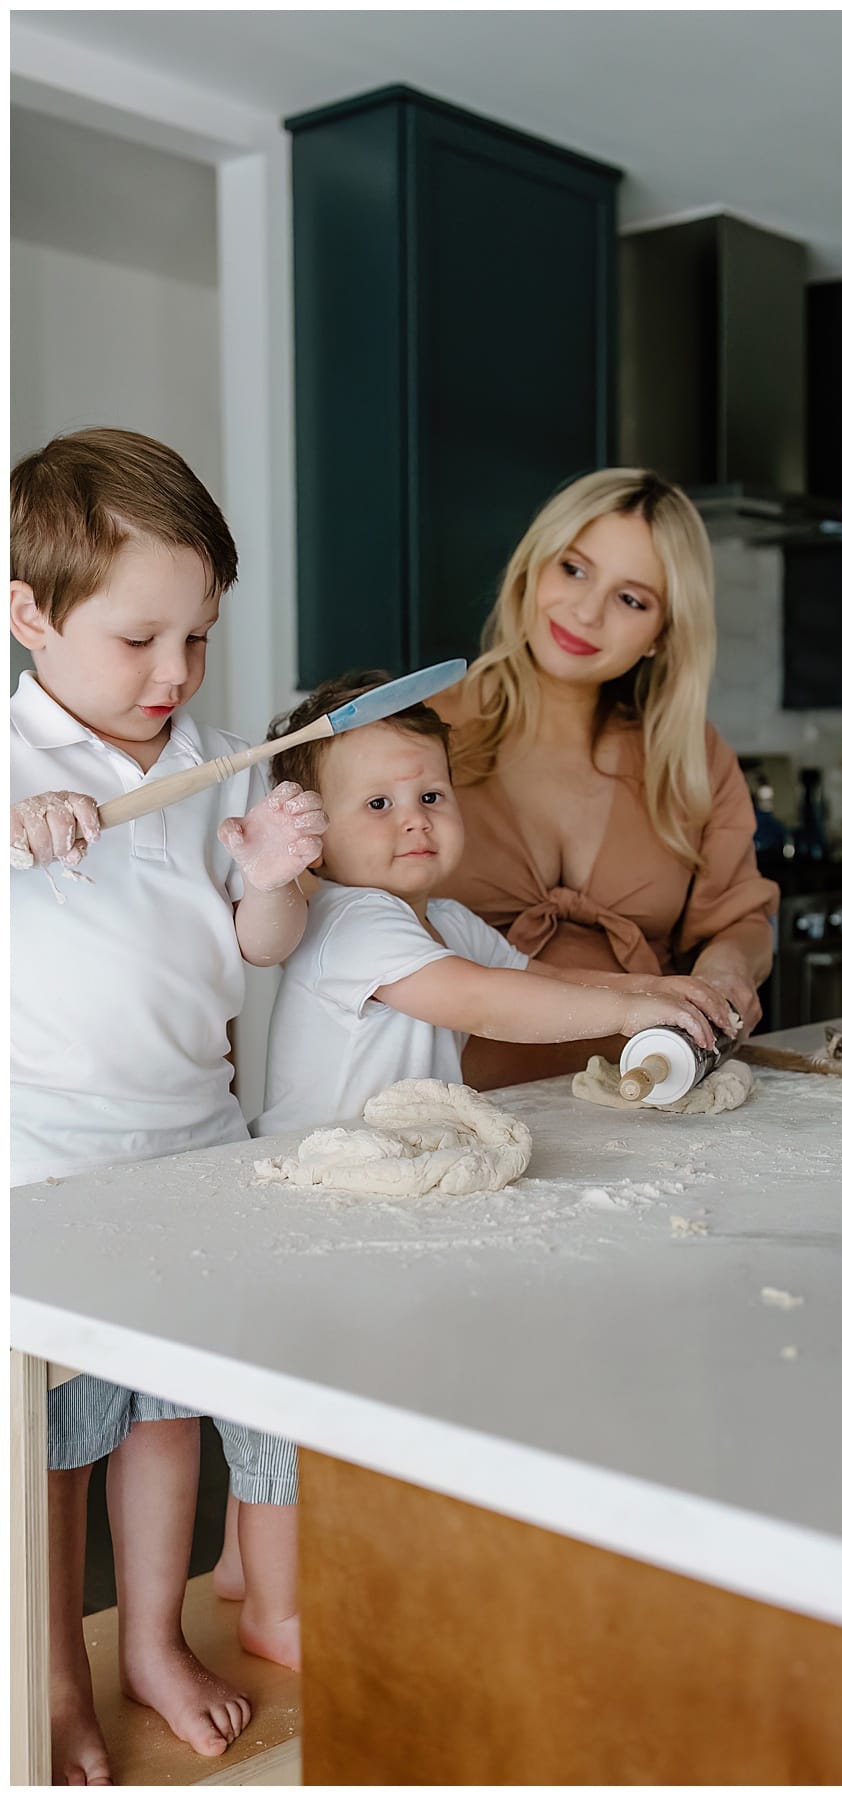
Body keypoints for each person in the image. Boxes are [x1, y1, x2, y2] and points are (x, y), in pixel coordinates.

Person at [10, 429, 326, 1783]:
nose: (176, 674)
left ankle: (150, 1637)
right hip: (45, 1169)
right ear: (27, 615)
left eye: (198, 637)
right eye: (140, 639)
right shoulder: (14, 758)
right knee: (56, 1447)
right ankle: (56, 1674)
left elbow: (258, 952)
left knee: (166, 1417)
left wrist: (273, 872)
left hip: (194, 1144)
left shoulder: (216, 762)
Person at [253, 672, 739, 1138]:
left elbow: (538, 977)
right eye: (379, 804)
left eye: (430, 795)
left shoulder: (448, 920)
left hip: (383, 1157)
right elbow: (480, 1001)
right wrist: (623, 1013)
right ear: (313, 840)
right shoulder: (351, 922)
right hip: (310, 1163)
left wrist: (652, 989)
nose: (416, 820)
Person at [432, 467, 779, 1089]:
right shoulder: (421, 734)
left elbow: (739, 919)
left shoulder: (691, 757)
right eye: (574, 568)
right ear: (533, 567)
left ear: (660, 636)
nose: (587, 612)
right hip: (449, 1109)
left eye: (631, 599)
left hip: (651, 1102)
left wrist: (730, 970)